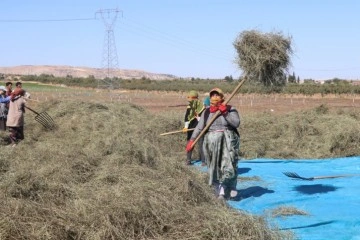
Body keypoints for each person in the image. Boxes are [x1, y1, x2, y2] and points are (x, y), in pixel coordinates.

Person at [186, 87, 240, 200]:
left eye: (217, 95)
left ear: (222, 97)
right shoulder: (206, 112)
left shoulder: (230, 109)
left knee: (228, 166)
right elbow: (199, 128)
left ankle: (232, 186)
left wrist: (225, 112)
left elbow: (236, 123)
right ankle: (219, 191)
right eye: (212, 95)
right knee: (214, 167)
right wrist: (192, 140)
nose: (214, 97)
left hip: (227, 141)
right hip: (211, 142)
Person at [183, 90, 205, 165]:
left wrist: (198, 118)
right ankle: (188, 160)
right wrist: (186, 127)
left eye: (192, 99)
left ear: (196, 98)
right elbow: (187, 117)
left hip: (200, 129)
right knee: (190, 144)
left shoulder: (202, 107)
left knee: (201, 145)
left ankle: (203, 161)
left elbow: (204, 119)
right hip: (190, 129)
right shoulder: (189, 107)